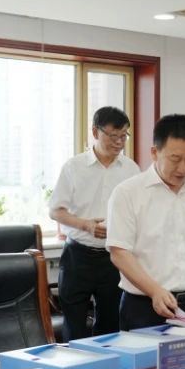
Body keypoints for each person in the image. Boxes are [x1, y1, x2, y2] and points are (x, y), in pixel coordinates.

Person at [106, 114, 185, 331]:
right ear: (154, 152)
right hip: (144, 306)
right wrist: (155, 291)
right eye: (175, 159)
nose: (183, 168)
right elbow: (119, 253)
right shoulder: (128, 193)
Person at [49, 106, 140, 341]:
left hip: (114, 258)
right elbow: (56, 211)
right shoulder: (74, 167)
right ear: (95, 132)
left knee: (110, 326)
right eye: (113, 135)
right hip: (77, 256)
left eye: (124, 136)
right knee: (74, 326)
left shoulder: (131, 169)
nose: (119, 142)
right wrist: (86, 225)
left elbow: (138, 214)